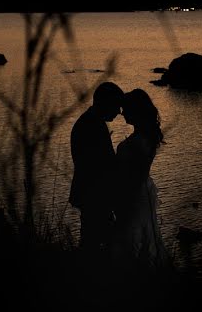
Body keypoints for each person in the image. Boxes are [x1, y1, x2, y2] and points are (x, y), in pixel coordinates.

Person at [69, 81, 124, 251]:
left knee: (93, 239)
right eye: (116, 106)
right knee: (95, 242)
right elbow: (98, 167)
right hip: (94, 196)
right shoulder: (91, 125)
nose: (119, 111)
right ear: (105, 102)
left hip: (92, 195)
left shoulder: (91, 121)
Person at [111, 88, 165, 264]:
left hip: (134, 193)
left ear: (135, 110)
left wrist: (123, 197)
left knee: (131, 235)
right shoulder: (147, 136)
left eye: (125, 108)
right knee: (141, 235)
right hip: (140, 190)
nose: (122, 112)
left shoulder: (139, 142)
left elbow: (136, 173)